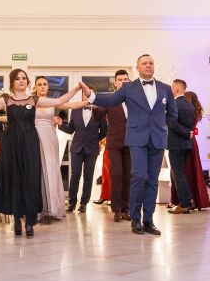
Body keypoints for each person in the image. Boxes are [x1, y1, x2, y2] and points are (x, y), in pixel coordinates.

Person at [0, 69, 82, 237]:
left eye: (24, 78)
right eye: (18, 78)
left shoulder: (35, 100)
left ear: (27, 81)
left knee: (30, 180)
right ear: (12, 82)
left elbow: (59, 100)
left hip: (30, 143)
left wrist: (76, 89)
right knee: (14, 180)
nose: (21, 81)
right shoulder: (5, 100)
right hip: (11, 144)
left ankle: (30, 221)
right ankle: (16, 220)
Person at [84, 54, 177, 236]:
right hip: (137, 138)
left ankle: (148, 220)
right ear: (137, 67)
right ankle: (135, 218)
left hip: (157, 139)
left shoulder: (165, 88)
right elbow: (110, 101)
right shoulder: (128, 87)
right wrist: (91, 95)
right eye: (144, 63)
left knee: (152, 180)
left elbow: (172, 114)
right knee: (139, 176)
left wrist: (162, 127)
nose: (148, 65)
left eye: (151, 63)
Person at [34, 76, 92, 222]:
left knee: (50, 169)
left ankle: (52, 208)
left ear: (48, 87)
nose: (42, 86)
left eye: (45, 84)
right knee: (36, 170)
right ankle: (35, 208)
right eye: (39, 84)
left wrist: (88, 100)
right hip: (34, 137)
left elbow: (71, 104)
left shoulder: (52, 102)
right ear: (35, 87)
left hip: (50, 137)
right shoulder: (30, 101)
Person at [56, 85, 106, 214]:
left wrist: (94, 139)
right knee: (75, 175)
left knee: (88, 177)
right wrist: (61, 124)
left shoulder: (100, 111)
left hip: (92, 149)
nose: (87, 95)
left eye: (89, 93)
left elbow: (104, 131)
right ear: (82, 95)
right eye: (84, 93)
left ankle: (84, 203)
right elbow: (70, 129)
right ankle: (71, 203)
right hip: (77, 148)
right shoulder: (76, 110)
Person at [95, 70, 132, 222]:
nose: (123, 81)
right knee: (116, 175)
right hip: (114, 143)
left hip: (132, 143)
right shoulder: (110, 99)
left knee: (128, 176)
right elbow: (98, 116)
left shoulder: (135, 99)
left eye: (125, 79)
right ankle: (117, 210)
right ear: (115, 83)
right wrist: (95, 104)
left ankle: (126, 209)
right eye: (120, 79)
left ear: (129, 81)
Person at [170, 91, 210, 210]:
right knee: (188, 171)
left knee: (181, 172)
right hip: (191, 142)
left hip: (184, 141)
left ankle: (186, 200)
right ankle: (191, 200)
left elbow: (175, 125)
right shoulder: (194, 112)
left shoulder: (184, 111)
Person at [167, 79, 195, 215]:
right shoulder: (190, 105)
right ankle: (187, 199)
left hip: (176, 143)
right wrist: (188, 134)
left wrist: (186, 133)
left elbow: (173, 124)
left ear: (177, 89)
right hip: (186, 144)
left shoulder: (174, 104)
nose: (170, 90)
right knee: (179, 173)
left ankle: (185, 203)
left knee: (178, 174)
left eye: (172, 87)